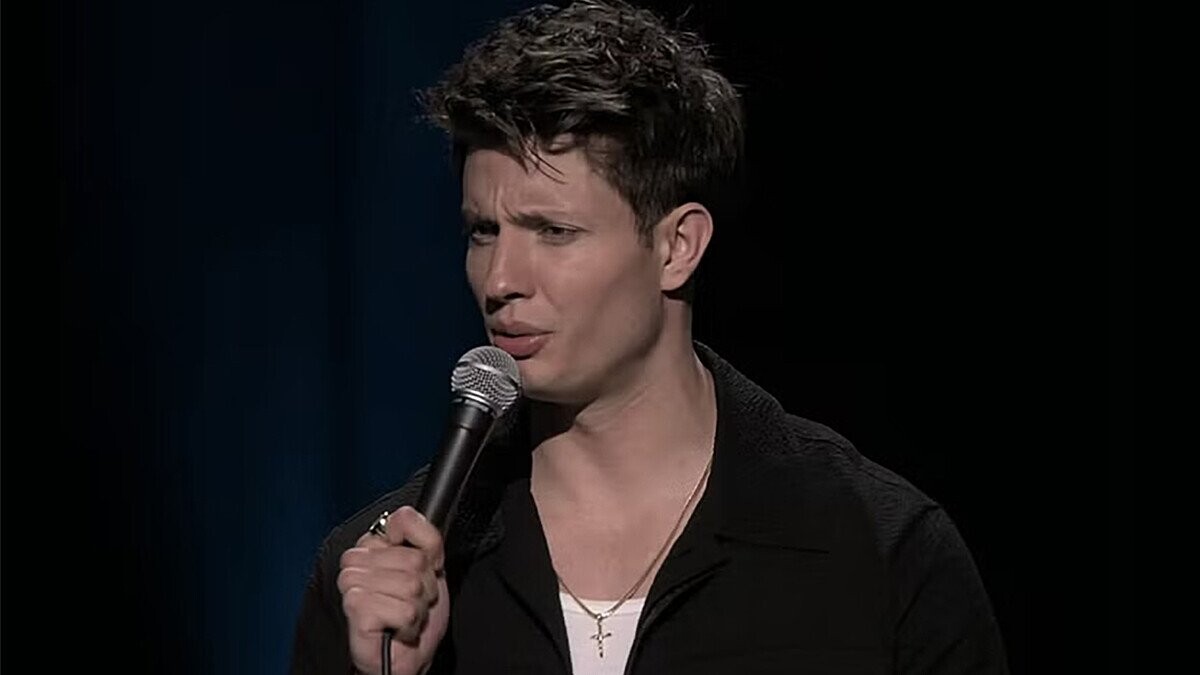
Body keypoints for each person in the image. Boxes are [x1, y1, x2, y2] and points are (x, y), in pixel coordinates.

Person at [290, 1, 1009, 673]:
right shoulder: (380, 581)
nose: (500, 279)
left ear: (677, 246)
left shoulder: (876, 551)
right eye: (483, 231)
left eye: (553, 231)